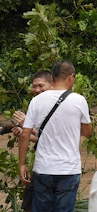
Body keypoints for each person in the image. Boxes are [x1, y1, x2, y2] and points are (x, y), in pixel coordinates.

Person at [19, 61, 92, 212]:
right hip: (69, 170)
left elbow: (25, 134)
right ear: (71, 77)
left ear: (51, 79)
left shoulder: (36, 101)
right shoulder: (79, 100)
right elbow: (87, 132)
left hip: (43, 168)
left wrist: (22, 164)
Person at [11, 71, 53, 212]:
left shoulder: (60, 105)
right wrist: (24, 133)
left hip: (54, 168)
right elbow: (42, 139)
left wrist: (29, 129)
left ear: (52, 84)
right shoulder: (36, 104)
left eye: (41, 86)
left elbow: (54, 137)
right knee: (29, 205)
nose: (37, 90)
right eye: (34, 86)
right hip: (40, 164)